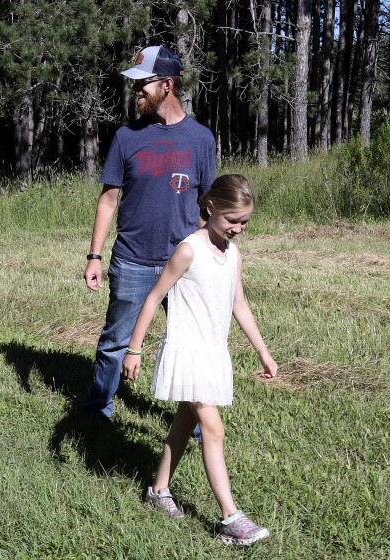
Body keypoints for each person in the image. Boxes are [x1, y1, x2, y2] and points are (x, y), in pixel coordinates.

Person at [122, 174, 277, 546]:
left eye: (245, 222)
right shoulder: (189, 249)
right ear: (210, 208)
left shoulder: (233, 253)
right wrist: (134, 349)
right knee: (213, 430)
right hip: (186, 352)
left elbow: (239, 304)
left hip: (212, 354)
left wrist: (263, 351)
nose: (239, 229)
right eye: (232, 220)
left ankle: (159, 491)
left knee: (181, 426)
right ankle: (230, 518)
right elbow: (153, 296)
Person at [83, 45, 216, 420]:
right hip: (132, 260)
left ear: (168, 85)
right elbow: (108, 200)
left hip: (183, 263)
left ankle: (191, 420)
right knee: (114, 341)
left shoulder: (201, 139)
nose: (136, 89)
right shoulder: (127, 136)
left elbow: (207, 206)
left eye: (144, 83)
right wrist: (94, 256)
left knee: (189, 344)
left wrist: (205, 256)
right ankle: (97, 412)